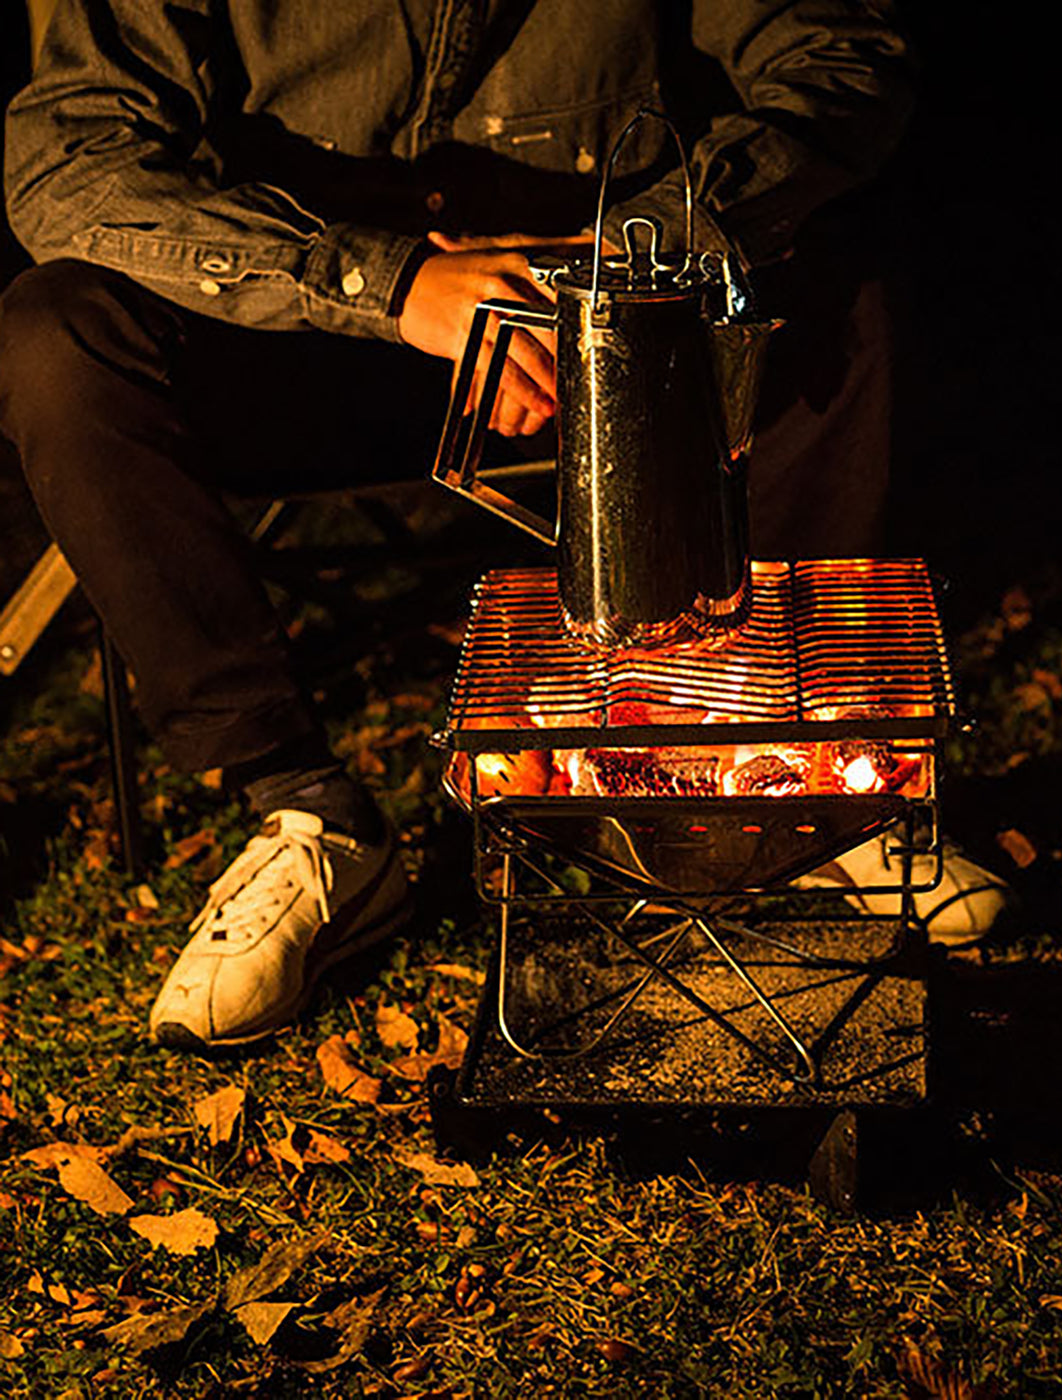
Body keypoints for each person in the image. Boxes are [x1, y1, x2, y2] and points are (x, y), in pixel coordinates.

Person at [1, 1, 995, 1052]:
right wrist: (385, 283)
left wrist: (639, 254)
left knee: (832, 274)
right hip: (302, 330)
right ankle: (304, 808)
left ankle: (792, 774)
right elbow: (68, 160)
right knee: (56, 332)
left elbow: (844, 53)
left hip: (613, 307)